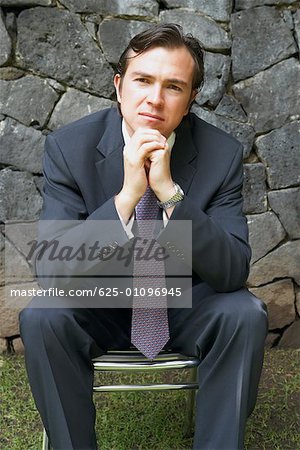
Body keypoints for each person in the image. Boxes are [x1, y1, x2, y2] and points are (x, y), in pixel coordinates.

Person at [19, 23, 268, 450]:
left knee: (244, 312)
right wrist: (128, 196)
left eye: (173, 86)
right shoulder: (68, 148)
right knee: (42, 314)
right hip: (100, 305)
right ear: (119, 86)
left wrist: (170, 194)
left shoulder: (221, 154)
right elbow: (53, 273)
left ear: (189, 101)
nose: (155, 98)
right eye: (143, 80)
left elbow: (231, 270)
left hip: (187, 304)